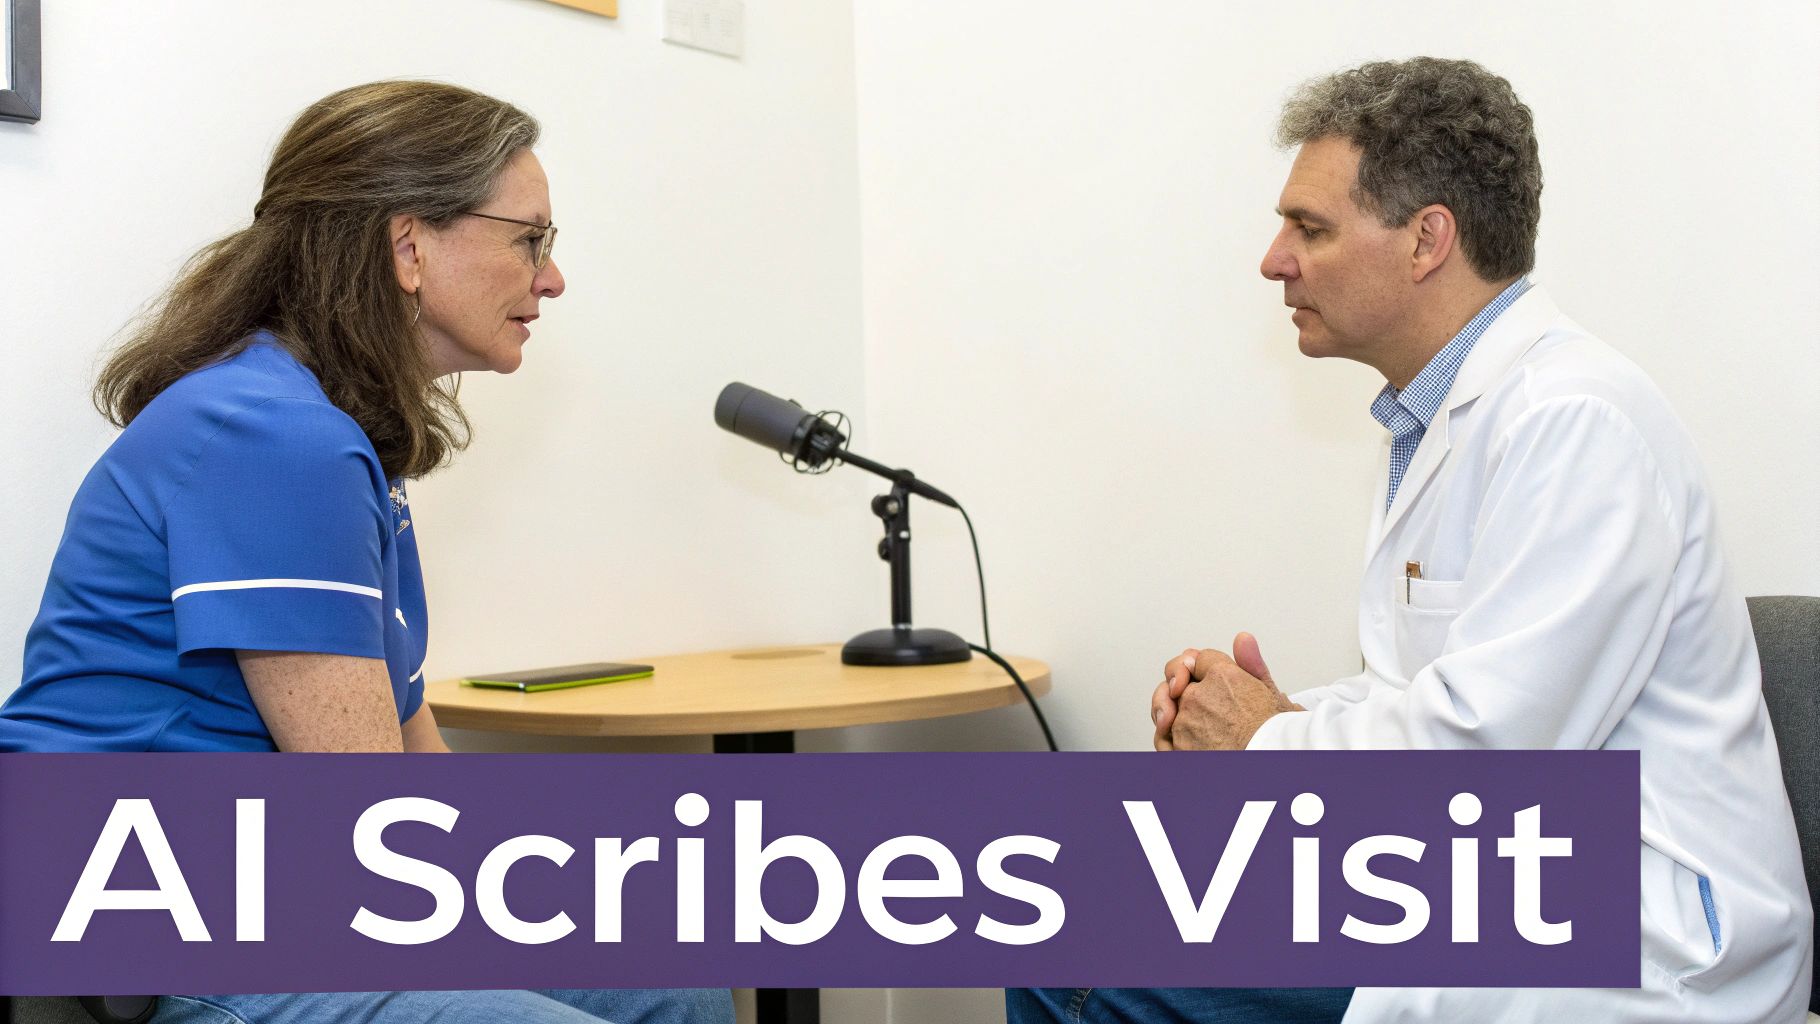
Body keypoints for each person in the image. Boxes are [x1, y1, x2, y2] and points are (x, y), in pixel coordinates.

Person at [1021, 57, 1811, 1023]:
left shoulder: (1577, 420)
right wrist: (1263, 716)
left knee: (1097, 953)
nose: (1274, 260)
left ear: (1427, 239)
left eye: (1310, 228)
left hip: (1638, 930)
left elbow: (1496, 760)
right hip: (1500, 877)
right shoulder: (1439, 421)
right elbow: (1434, 699)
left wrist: (1266, 740)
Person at [0, 80, 731, 1024]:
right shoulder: (270, 435)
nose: (551, 279)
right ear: (408, 246)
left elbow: (407, 751)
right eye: (530, 239)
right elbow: (363, 812)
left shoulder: (335, 440)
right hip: (152, 902)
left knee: (669, 980)